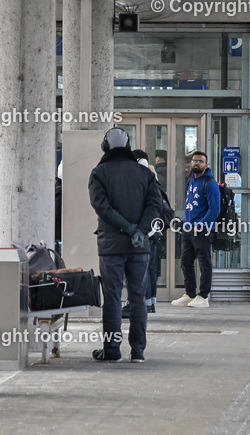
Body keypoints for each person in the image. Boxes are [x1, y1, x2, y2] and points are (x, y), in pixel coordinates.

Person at [88, 127, 161, 362]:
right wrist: (139, 231)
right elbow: (155, 206)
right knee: (138, 298)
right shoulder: (145, 174)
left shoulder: (98, 173)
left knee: (112, 298)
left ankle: (112, 351)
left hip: (111, 247)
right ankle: (138, 352)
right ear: (128, 146)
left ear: (105, 146)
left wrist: (128, 229)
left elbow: (102, 207)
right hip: (140, 246)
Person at [172, 151, 220, 308]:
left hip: (203, 230)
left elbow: (214, 209)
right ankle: (190, 294)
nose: (196, 163)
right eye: (194, 161)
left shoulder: (210, 183)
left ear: (206, 165)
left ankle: (203, 296)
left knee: (204, 263)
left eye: (200, 161)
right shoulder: (191, 180)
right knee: (185, 262)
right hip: (188, 228)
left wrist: (201, 224)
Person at [131, 150, 170, 313]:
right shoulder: (153, 178)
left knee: (143, 268)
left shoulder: (140, 180)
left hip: (145, 231)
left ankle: (145, 303)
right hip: (154, 230)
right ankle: (150, 301)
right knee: (150, 267)